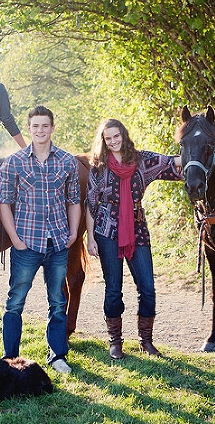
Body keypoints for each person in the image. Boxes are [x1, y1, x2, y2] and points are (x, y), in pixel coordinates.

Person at [85, 118, 182, 359]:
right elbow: (90, 204)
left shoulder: (141, 161)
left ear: (123, 135)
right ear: (103, 141)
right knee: (113, 289)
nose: (113, 141)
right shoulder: (98, 167)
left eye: (116, 136)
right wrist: (90, 239)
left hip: (137, 229)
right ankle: (115, 341)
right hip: (106, 231)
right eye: (108, 138)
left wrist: (198, 150)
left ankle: (146, 341)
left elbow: (171, 163)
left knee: (148, 288)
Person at [0, 105, 81, 374]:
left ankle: (57, 355)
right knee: (15, 301)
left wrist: (72, 233)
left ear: (52, 128)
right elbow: (4, 203)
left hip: (57, 243)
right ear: (29, 129)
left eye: (45, 125)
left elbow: (74, 201)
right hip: (26, 243)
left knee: (57, 301)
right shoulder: (15, 161)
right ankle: (10, 358)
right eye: (35, 126)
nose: (41, 130)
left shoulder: (67, 162)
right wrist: (15, 239)